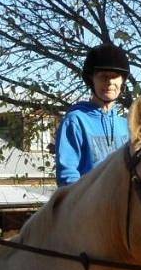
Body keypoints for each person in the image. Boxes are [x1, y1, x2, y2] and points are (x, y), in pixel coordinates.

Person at [54, 43, 131, 187]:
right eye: (103, 77)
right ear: (91, 80)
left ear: (122, 82)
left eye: (114, 77)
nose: (109, 82)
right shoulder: (75, 121)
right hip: (86, 205)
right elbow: (67, 175)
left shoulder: (126, 127)